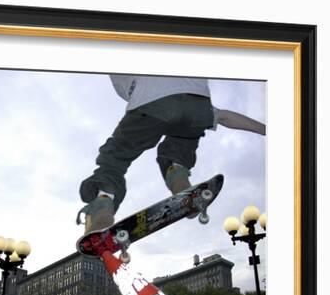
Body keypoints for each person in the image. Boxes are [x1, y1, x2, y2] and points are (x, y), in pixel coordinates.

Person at [77, 74, 266, 233]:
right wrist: (266, 129)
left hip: (150, 102)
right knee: (181, 144)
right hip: (197, 102)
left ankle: (104, 201)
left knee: (115, 159)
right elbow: (225, 116)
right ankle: (178, 175)